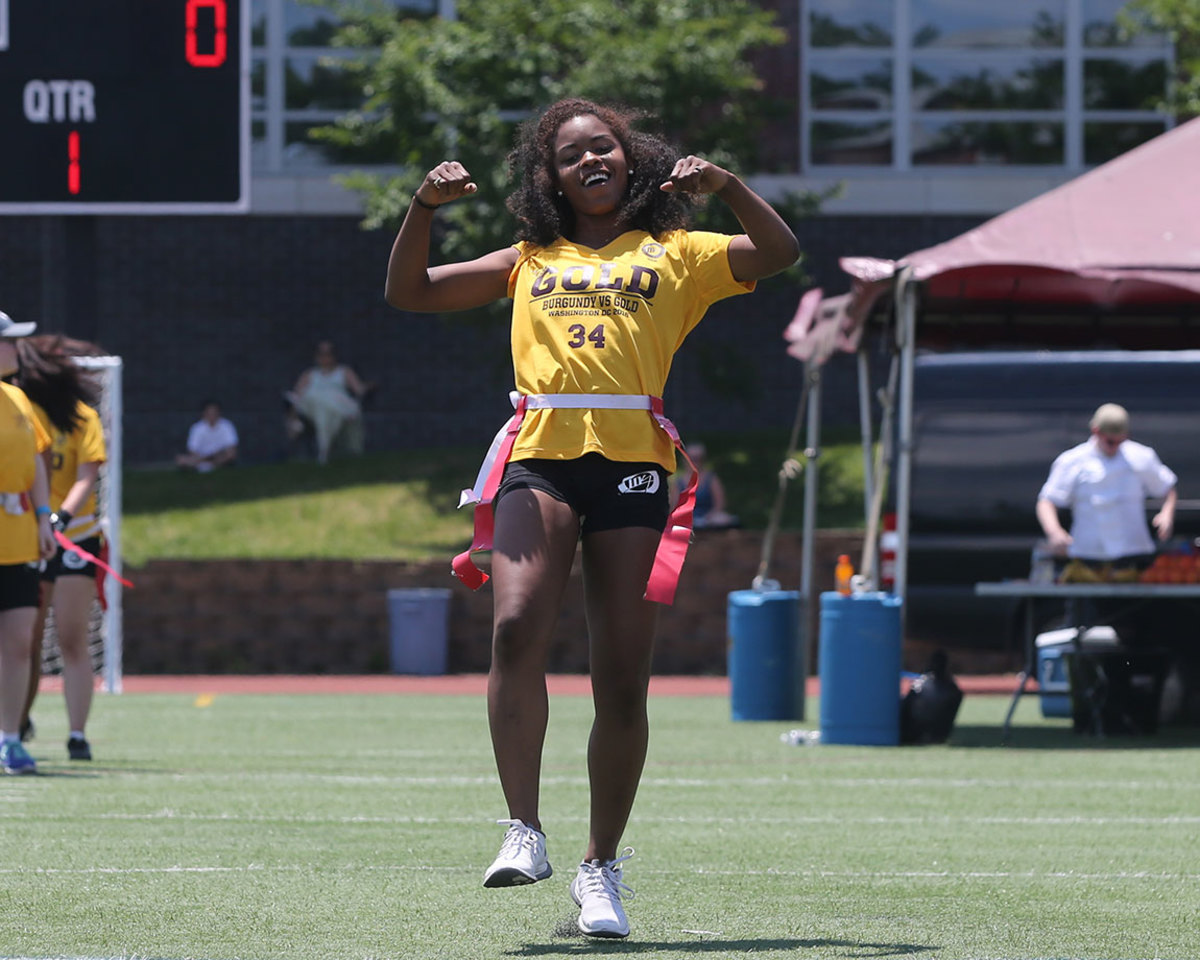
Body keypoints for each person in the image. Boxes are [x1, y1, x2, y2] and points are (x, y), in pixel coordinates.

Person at [384, 98, 798, 938]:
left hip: (633, 462)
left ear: (631, 158)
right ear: (552, 177)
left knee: (620, 673)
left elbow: (783, 252)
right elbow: (410, 291)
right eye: (571, 156)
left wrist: (728, 186)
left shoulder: (678, 253)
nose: (590, 162)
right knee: (514, 626)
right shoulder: (530, 255)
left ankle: (600, 870)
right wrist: (423, 207)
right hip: (540, 451)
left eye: (602, 147)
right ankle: (524, 830)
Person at [13, 334, 107, 760]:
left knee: (71, 637)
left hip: (76, 537)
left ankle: (77, 735)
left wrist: (62, 517)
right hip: (31, 539)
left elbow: (88, 474)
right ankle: (15, 722)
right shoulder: (22, 411)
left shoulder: (84, 417)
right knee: (24, 640)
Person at [0, 311, 57, 774]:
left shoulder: (18, 399)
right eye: (8, 341)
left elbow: (38, 462)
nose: (16, 348)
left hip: (18, 540)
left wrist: (44, 518)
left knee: (20, 641)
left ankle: (10, 739)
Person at [1036, 402, 1177, 581]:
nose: (1116, 446)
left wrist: (1166, 513)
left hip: (1133, 557)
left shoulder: (1141, 456)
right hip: (1088, 557)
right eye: (1111, 441)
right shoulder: (1072, 461)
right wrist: (1054, 532)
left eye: (1121, 441)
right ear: (1096, 432)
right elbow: (1047, 501)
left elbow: (1167, 488)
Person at [285, 341, 371, 464]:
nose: (325, 357)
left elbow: (359, 389)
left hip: (338, 406)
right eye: (321, 354)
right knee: (317, 401)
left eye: (328, 354)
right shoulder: (309, 375)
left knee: (329, 408)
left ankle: (324, 450)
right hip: (313, 409)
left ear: (334, 356)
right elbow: (297, 397)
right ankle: (324, 449)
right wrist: (292, 418)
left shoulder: (344, 371)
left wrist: (369, 387)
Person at [670, 442, 739, 529]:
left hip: (709, 518)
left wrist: (709, 516)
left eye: (699, 458)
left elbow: (720, 503)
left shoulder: (711, 479)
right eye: (693, 458)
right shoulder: (678, 482)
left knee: (723, 519)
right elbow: (674, 506)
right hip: (686, 518)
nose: (696, 462)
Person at [176, 399, 238, 472]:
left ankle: (209, 465)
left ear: (219, 413)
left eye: (214, 412)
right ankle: (208, 465)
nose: (212, 415)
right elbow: (192, 450)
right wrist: (204, 458)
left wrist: (217, 456)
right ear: (204, 413)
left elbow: (231, 447)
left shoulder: (227, 425)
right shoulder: (197, 428)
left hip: (219, 456)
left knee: (230, 455)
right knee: (181, 460)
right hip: (201, 457)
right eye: (209, 412)